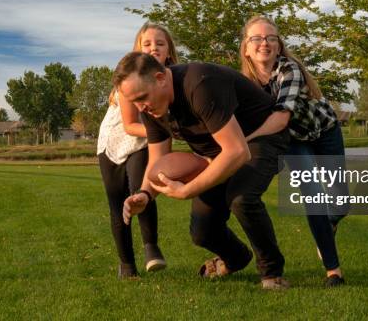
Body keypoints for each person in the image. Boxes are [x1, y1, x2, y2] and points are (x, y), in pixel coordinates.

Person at [116, 52, 291, 290]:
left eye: (142, 98)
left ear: (160, 78)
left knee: (242, 198)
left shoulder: (199, 84)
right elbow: (158, 159)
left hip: (262, 137)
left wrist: (188, 189)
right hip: (219, 153)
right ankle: (236, 258)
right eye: (134, 102)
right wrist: (144, 194)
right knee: (202, 231)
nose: (140, 107)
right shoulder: (152, 107)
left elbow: (238, 151)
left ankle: (272, 273)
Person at [240, 15, 348, 288]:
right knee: (313, 193)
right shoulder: (244, 84)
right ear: (246, 47)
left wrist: (246, 139)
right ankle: (333, 271)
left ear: (278, 45)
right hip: (294, 141)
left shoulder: (290, 69)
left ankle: (331, 222)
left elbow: (280, 118)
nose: (264, 43)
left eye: (271, 38)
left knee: (339, 202)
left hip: (325, 132)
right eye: (257, 38)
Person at [97, 22, 178, 278]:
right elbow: (131, 125)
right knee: (116, 201)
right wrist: (171, 132)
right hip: (116, 138)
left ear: (169, 51)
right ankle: (126, 265)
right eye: (147, 44)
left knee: (141, 189)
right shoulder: (130, 76)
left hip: (144, 141)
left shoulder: (173, 76)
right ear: (138, 49)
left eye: (160, 43)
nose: (154, 48)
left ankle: (151, 249)